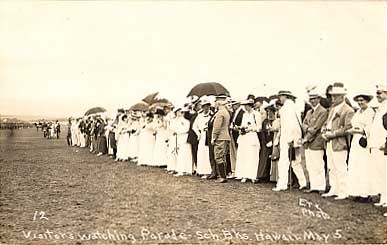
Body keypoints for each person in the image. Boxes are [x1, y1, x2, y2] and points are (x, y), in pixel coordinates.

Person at [321, 83, 354, 200]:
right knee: (331, 166)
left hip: (339, 142)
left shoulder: (348, 110)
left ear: (342, 97)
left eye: (336, 96)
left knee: (340, 167)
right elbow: (327, 123)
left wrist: (333, 134)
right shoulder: (332, 109)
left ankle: (343, 191)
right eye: (332, 96)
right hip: (329, 141)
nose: (333, 98)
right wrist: (324, 130)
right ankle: (334, 188)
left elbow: (347, 128)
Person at [272, 91, 307, 192]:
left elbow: (288, 125)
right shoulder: (295, 107)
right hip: (296, 138)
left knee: (284, 161)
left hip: (287, 138)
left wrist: (289, 139)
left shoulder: (285, 109)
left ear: (286, 97)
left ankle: (282, 184)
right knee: (296, 162)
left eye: (281, 96)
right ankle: (303, 182)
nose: (280, 98)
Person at [346, 92, 375, 201]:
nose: (360, 102)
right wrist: (352, 130)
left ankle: (365, 193)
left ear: (367, 101)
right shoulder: (358, 112)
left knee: (364, 166)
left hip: (364, 140)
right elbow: (354, 124)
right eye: (358, 100)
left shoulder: (370, 112)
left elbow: (370, 127)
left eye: (362, 100)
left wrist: (362, 131)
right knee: (355, 164)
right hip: (355, 140)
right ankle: (357, 191)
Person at [302, 89, 328, 194]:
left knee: (318, 165)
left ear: (319, 99)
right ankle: (314, 185)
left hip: (317, 141)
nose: (312, 101)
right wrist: (308, 129)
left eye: (314, 98)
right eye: (311, 99)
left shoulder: (323, 111)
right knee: (310, 165)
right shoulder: (309, 112)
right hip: (308, 142)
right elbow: (303, 124)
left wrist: (307, 135)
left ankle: (321, 186)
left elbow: (316, 128)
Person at [234, 99, 262, 183]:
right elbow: (243, 125)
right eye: (244, 105)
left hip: (252, 137)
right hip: (244, 137)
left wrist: (250, 129)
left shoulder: (256, 114)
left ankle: (252, 176)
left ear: (250, 105)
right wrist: (240, 128)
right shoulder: (245, 114)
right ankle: (244, 175)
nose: (245, 107)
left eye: (247, 105)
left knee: (252, 156)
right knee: (244, 155)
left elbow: (259, 128)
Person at [368, 84, 387, 206]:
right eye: (377, 93)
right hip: (375, 144)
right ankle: (383, 198)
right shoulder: (380, 107)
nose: (378, 95)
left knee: (384, 173)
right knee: (380, 173)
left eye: (380, 93)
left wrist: (385, 143)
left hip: (383, 145)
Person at [211, 97, 232, 183]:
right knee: (223, 157)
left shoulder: (220, 113)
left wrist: (213, 137)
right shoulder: (227, 112)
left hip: (220, 137)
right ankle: (223, 175)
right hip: (225, 136)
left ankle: (222, 176)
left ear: (219, 104)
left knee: (218, 156)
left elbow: (217, 127)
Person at [193, 98, 214, 178]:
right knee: (201, 153)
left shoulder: (212, 115)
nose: (206, 108)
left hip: (209, 136)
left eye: (207, 106)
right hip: (202, 136)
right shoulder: (199, 116)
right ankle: (201, 170)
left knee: (208, 153)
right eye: (204, 106)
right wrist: (198, 134)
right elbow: (194, 126)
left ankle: (209, 171)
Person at [257, 104, 276, 181]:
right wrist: (265, 142)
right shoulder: (265, 122)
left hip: (273, 141)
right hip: (265, 142)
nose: (269, 114)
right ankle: (263, 175)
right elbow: (263, 132)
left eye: (271, 112)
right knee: (264, 158)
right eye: (268, 112)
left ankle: (271, 176)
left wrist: (272, 141)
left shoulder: (275, 121)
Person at [173, 108, 193, 176]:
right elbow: (175, 128)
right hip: (180, 138)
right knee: (181, 154)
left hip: (185, 138)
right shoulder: (179, 120)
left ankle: (186, 170)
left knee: (185, 154)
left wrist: (178, 131)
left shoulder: (187, 121)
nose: (181, 114)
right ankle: (182, 170)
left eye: (183, 113)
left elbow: (186, 129)